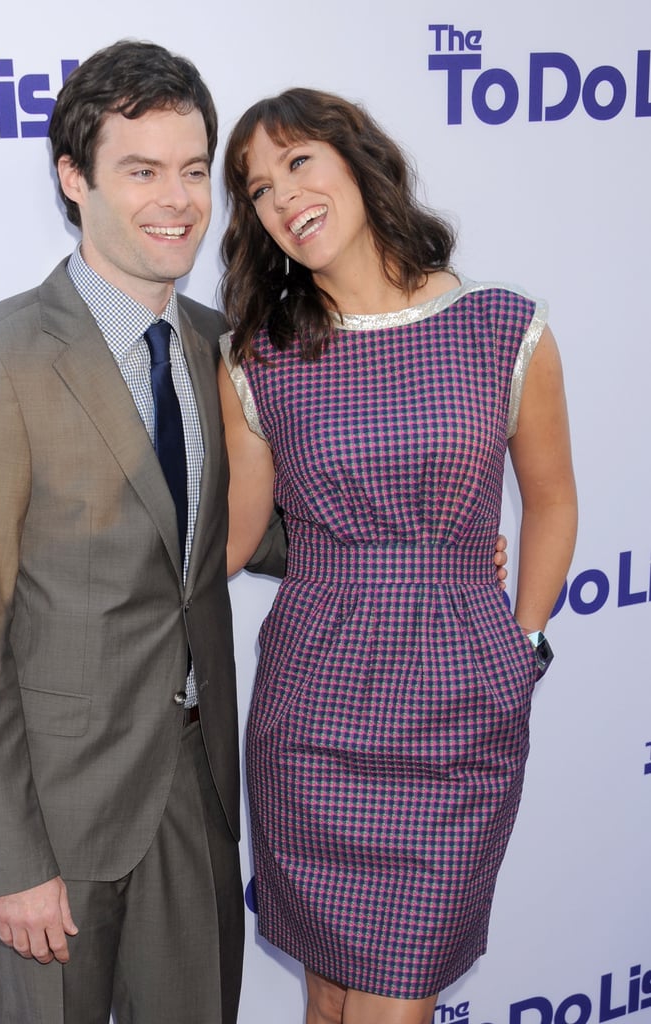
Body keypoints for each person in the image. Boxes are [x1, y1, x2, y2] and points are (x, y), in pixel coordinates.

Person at [217, 88, 577, 1024]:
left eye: (297, 162)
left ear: (357, 158)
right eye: (257, 188)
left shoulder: (504, 327)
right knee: (330, 1002)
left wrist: (523, 648)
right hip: (312, 716)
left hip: (458, 715)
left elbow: (552, 500)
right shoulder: (257, 357)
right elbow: (236, 538)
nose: (282, 196)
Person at [0, 39, 251, 1024]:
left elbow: (244, 533)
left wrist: (418, 538)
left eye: (192, 170)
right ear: (74, 178)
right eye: (140, 170)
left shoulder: (219, 343)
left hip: (194, 795)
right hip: (53, 816)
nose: (176, 199)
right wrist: (12, 861)